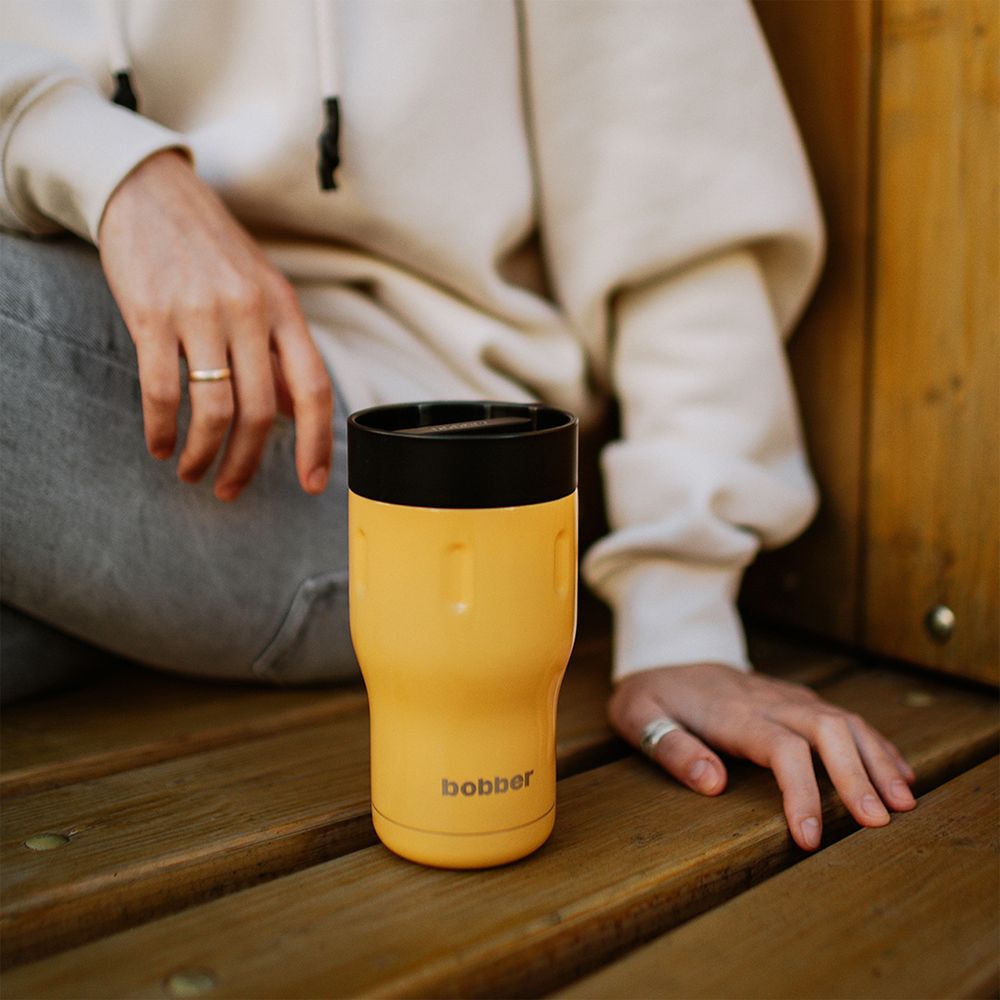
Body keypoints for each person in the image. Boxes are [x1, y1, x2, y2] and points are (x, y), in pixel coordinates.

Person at [0, 0, 916, 852]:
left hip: (407, 462)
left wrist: (682, 618)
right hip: (107, 338)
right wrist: (114, 171)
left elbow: (683, 213)